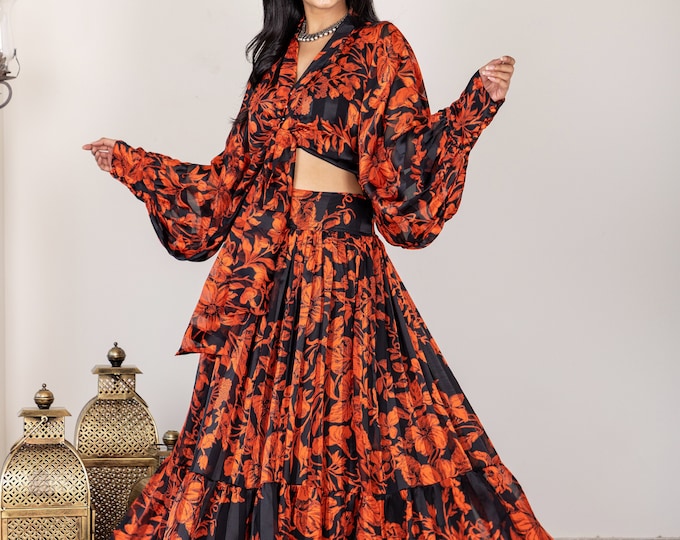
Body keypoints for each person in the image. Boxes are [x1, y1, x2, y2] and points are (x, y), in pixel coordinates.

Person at [84, 1, 551, 538]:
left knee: (356, 431)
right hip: (265, 276)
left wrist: (475, 105)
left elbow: (408, 168)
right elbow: (228, 179)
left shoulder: (380, 46)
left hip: (341, 273)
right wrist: (132, 164)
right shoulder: (274, 60)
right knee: (245, 440)